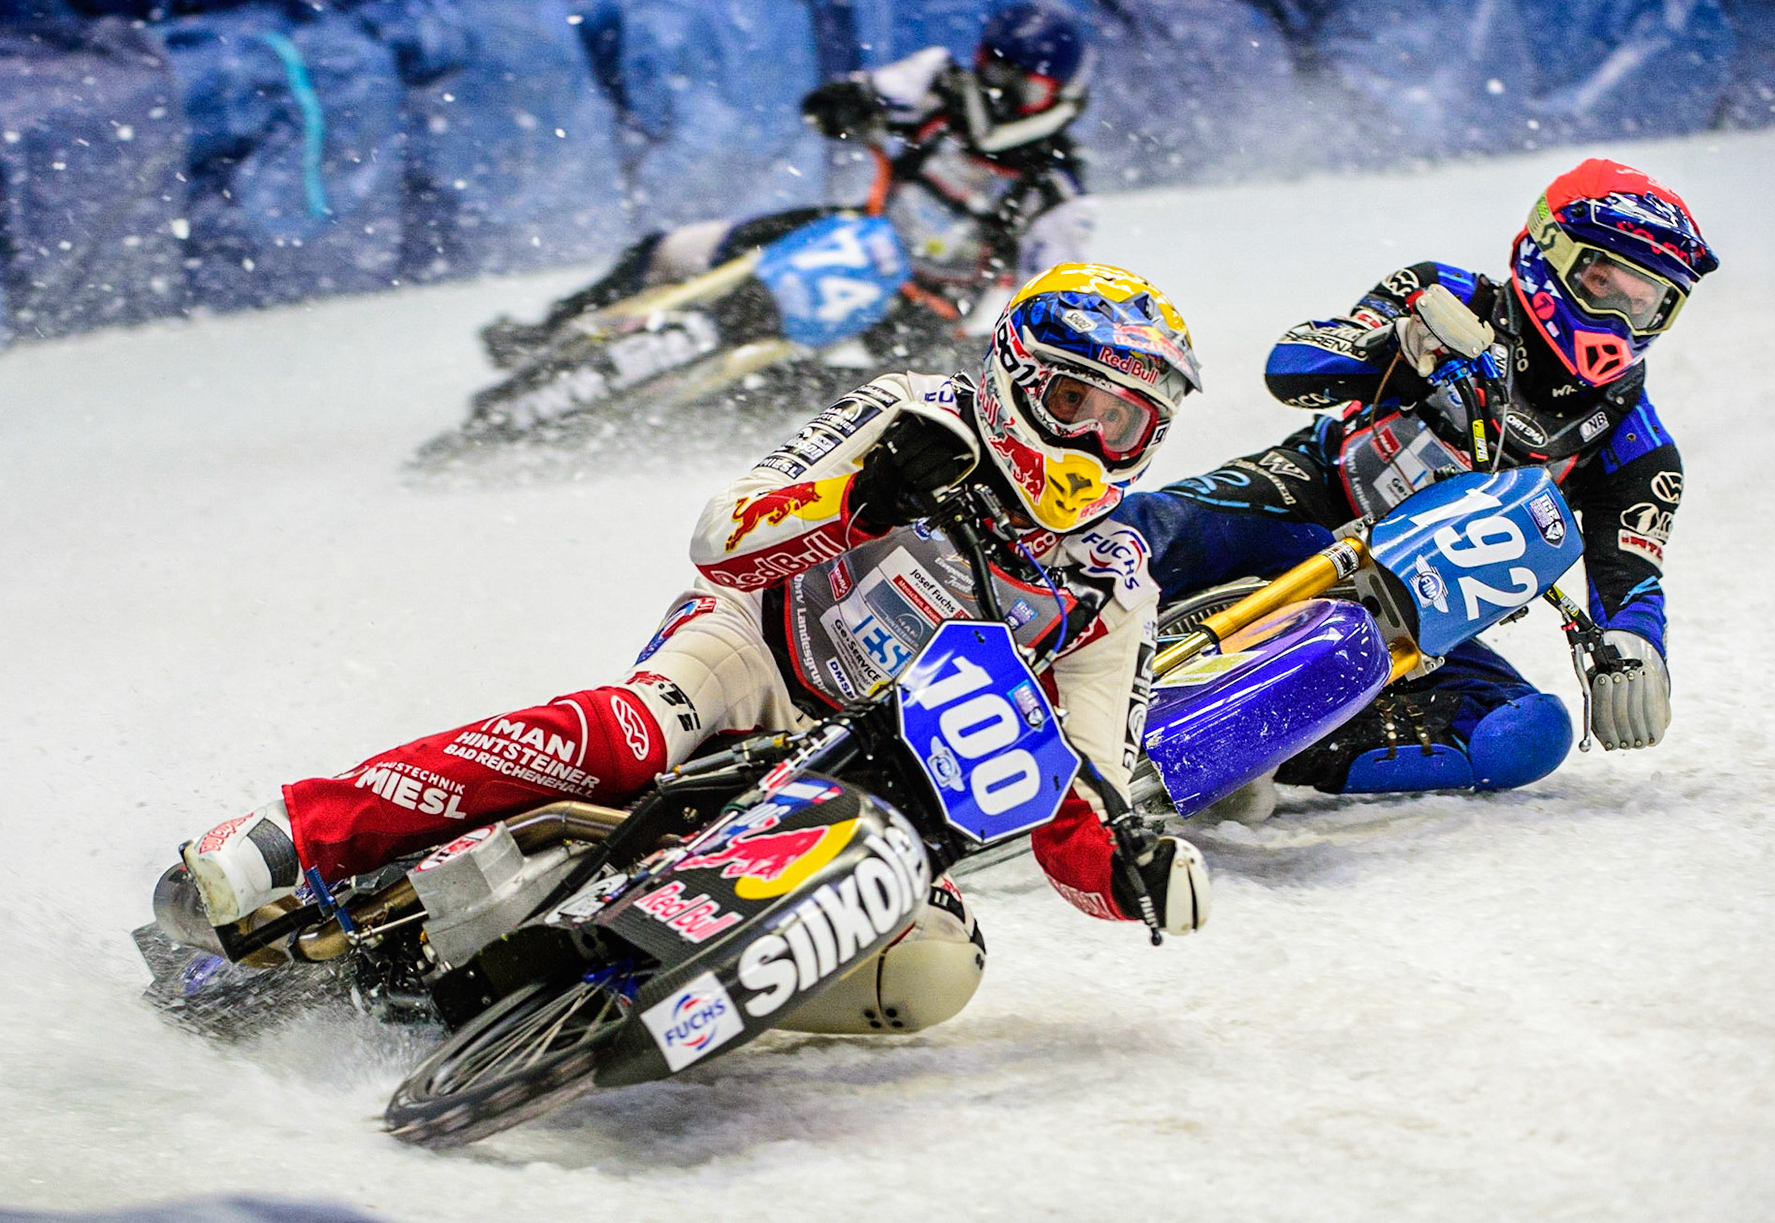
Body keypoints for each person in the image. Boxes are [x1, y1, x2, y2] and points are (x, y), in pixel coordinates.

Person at [180, 262, 1211, 1030]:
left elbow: (1079, 784)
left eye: (1124, 424)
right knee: (633, 733)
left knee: (936, 965)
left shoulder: (1113, 583)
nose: (1091, 441)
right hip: (751, 657)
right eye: (1073, 402)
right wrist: (860, 497)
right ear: (1014, 376)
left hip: (879, 785)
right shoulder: (910, 413)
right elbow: (723, 537)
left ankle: (633, 1007)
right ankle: (294, 835)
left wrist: (1131, 870)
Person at [1123, 158, 1718, 797]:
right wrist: (1395, 347)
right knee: (1130, 534)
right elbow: (1290, 367)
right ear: (1547, 254)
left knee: (1526, 733)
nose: (1620, 321)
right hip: (1304, 500)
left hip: (1410, 615)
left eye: (1646, 303)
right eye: (1604, 283)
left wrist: (1636, 647)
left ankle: (1263, 749)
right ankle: (1043, 633)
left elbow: (1630, 578)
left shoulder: (1639, 448)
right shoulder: (1443, 293)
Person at [481, 1, 1094, 365]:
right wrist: (849, 106)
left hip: (924, 309)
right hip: (853, 236)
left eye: (1020, 86)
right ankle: (550, 335)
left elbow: (1046, 304)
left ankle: (708, 412)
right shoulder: (938, 80)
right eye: (992, 71)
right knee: (671, 252)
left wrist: (984, 354)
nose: (996, 94)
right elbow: (844, 99)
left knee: (869, 399)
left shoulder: (1054, 191)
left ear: (1058, 97)